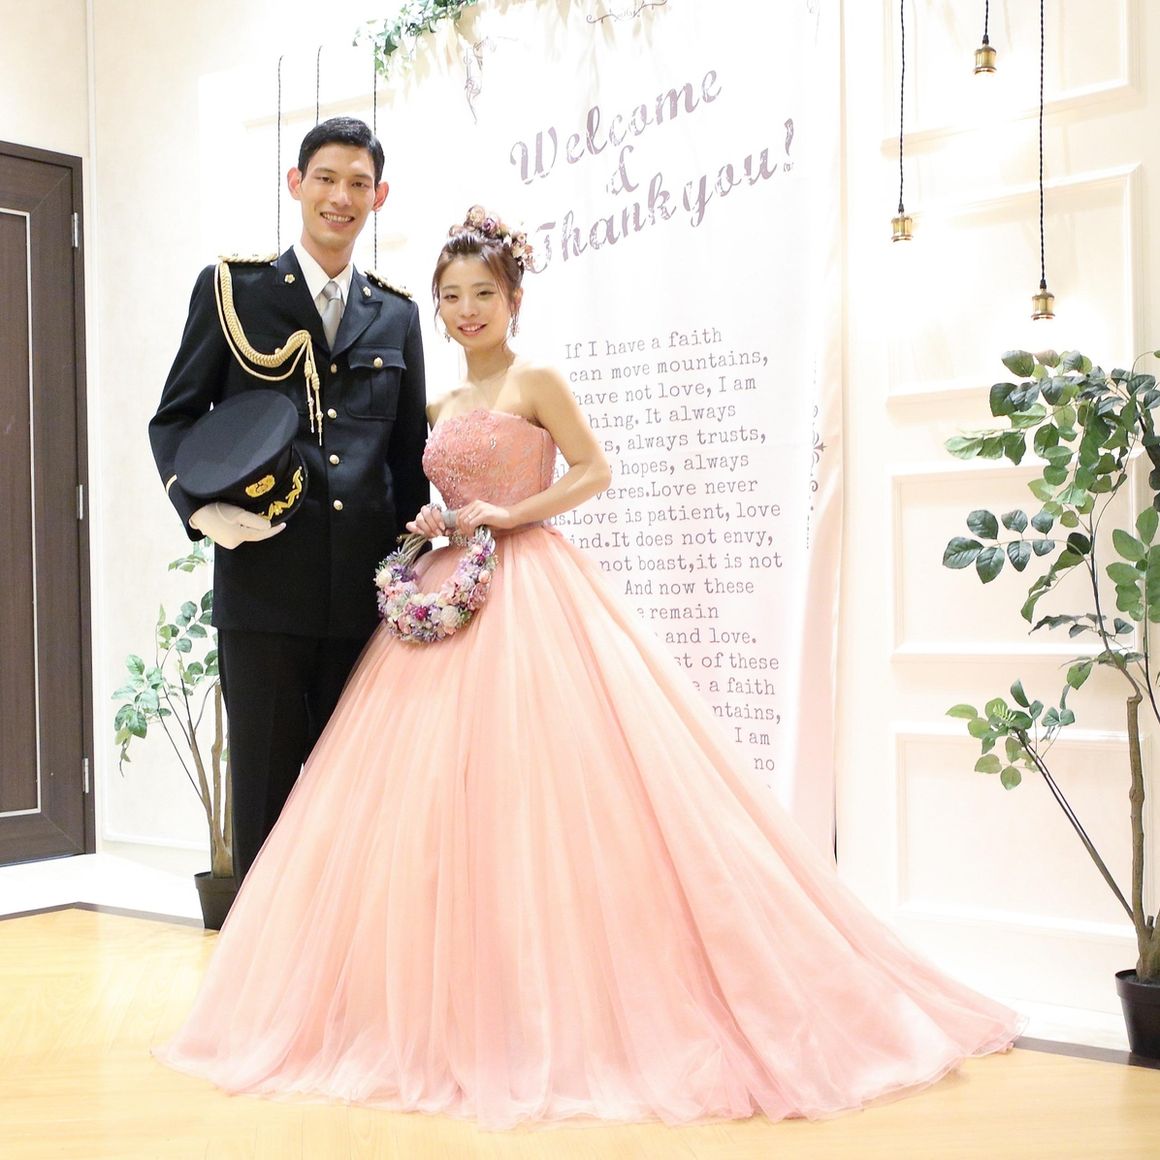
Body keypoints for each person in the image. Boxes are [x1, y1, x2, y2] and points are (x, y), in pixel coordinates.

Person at [154, 206, 1023, 1129]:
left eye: (483, 293)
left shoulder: (536, 380)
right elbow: (418, 486)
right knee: (438, 801)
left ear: (514, 299)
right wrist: (438, 524)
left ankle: (557, 1001)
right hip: (450, 590)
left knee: (553, 791)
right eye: (452, 297)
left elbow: (594, 470)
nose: (466, 309)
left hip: (532, 588)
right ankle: (434, 1005)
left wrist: (510, 514)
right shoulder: (438, 406)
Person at [149, 117, 429, 883]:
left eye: (359, 183)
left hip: (363, 607)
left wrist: (412, 587)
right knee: (266, 807)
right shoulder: (233, 292)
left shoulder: (396, 313)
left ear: (379, 197)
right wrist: (199, 511)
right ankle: (257, 964)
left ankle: (347, 961)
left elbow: (407, 465)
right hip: (264, 597)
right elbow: (174, 419)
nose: (342, 197)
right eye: (327, 178)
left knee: (358, 808)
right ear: (296, 183)